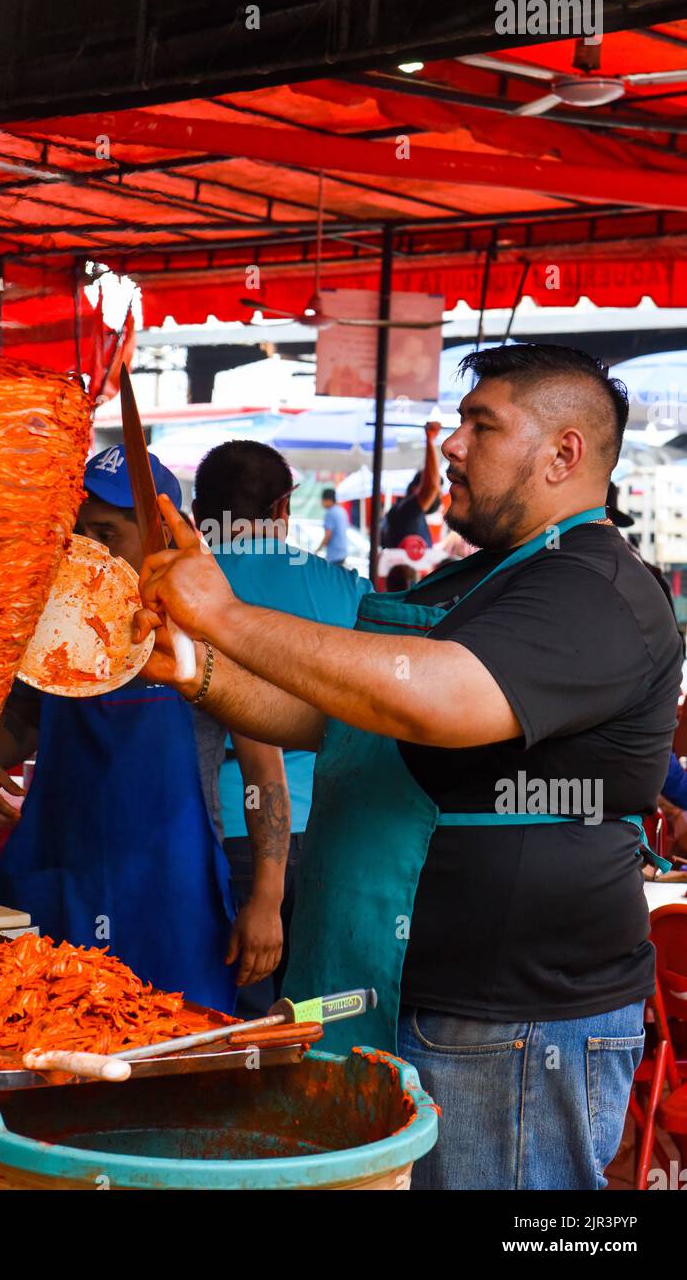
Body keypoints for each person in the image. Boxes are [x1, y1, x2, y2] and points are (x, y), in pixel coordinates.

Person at [133, 342, 683, 1191]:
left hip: (508, 1019)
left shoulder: (593, 588)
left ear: (562, 453)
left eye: (479, 425)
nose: (451, 445)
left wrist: (228, 617)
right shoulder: (473, 581)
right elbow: (340, 718)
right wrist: (199, 673)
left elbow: (430, 698)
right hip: (385, 991)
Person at [0, 448, 266, 1014]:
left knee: (178, 1060)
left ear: (158, 533)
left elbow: (264, 769)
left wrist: (267, 899)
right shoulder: (57, 633)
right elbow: (22, 724)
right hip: (62, 888)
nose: (89, 550)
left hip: (173, 904)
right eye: (79, 533)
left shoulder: (208, 633)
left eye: (106, 532)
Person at [192, 439, 372, 1014]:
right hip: (336, 833)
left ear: (199, 515)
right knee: (318, 1018)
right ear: (282, 508)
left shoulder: (185, 592)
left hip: (223, 833)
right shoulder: (351, 592)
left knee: (228, 1021)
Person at [380, 420, 442, 549]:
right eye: (437, 494)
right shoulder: (407, 510)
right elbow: (431, 487)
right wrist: (430, 439)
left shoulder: (407, 512)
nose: (438, 498)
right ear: (416, 489)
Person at [317, 488, 348, 566]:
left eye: (323, 500)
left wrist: (317, 550)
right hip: (343, 553)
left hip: (334, 555)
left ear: (329, 500)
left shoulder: (330, 513)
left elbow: (328, 535)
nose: (322, 503)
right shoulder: (342, 511)